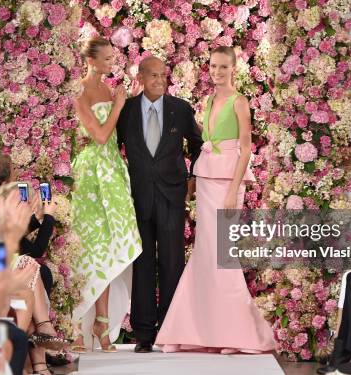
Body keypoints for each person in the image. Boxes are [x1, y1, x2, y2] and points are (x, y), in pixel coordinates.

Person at [155, 46, 275, 354]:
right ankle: (194, 333)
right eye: (213, 66)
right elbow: (206, 145)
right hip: (207, 181)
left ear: (234, 68)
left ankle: (237, 336)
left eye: (223, 66)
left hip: (228, 185)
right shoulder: (208, 101)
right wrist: (195, 180)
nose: (217, 71)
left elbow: (246, 149)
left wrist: (235, 189)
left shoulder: (240, 102)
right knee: (206, 256)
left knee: (225, 256)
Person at [116, 55, 203, 353]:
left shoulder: (180, 109)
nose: (159, 80)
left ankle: (170, 329)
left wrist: (193, 178)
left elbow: (197, 145)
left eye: (163, 75)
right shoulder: (125, 110)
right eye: (152, 75)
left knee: (171, 262)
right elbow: (112, 149)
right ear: (140, 77)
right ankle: (143, 334)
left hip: (171, 195)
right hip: (137, 197)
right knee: (142, 264)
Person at [70, 36, 142, 353]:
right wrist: (118, 105)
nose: (113, 63)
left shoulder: (111, 90)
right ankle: (73, 325)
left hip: (113, 171)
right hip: (90, 176)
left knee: (111, 247)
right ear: (92, 60)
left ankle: (102, 326)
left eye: (114, 58)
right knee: (88, 247)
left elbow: (115, 136)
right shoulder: (80, 91)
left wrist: (124, 103)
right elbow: (99, 136)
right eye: (108, 59)